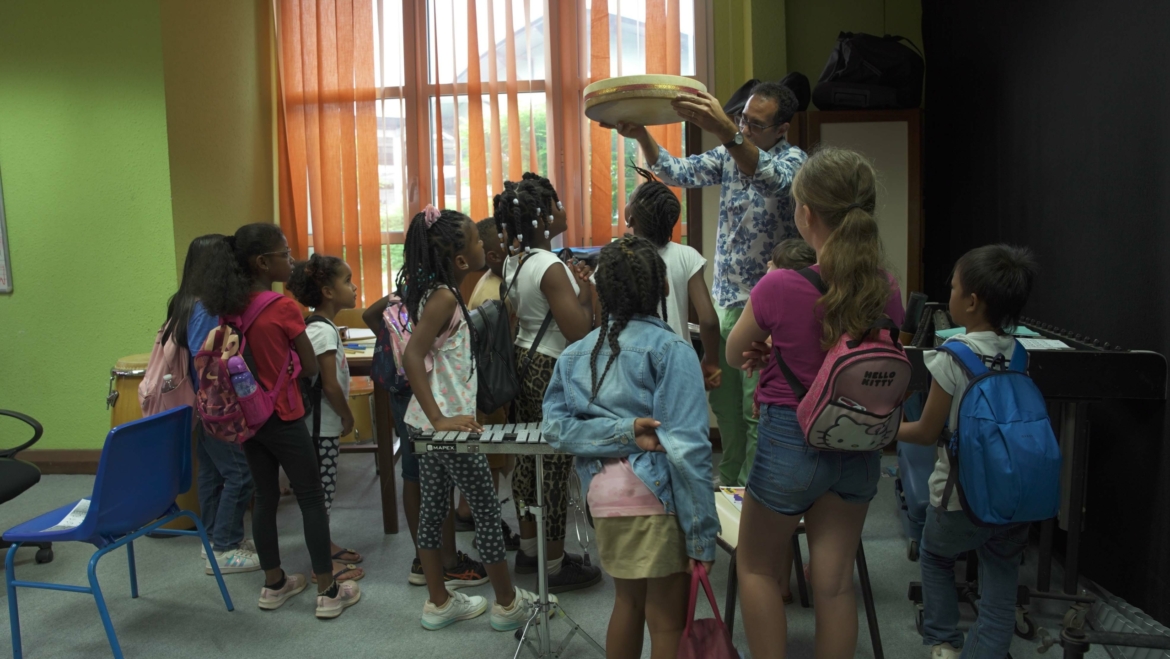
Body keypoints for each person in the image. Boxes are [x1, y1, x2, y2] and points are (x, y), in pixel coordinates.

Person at [725, 147, 905, 658]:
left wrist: (767, 348)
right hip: (858, 446)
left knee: (757, 567)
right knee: (834, 584)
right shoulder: (886, 288)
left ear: (806, 214)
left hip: (789, 442)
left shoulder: (780, 284)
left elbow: (737, 352)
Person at [609, 81, 808, 487]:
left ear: (782, 128)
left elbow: (768, 177)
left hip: (768, 305)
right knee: (727, 407)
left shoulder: (795, 162)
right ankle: (733, 480)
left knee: (757, 407)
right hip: (726, 299)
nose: (745, 129)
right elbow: (675, 171)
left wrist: (730, 133)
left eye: (756, 124)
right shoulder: (728, 154)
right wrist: (642, 135)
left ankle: (756, 490)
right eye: (742, 120)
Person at [543, 235, 719, 659]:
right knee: (666, 621)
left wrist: (619, 431)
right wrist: (702, 536)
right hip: (655, 498)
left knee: (627, 603)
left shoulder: (575, 354)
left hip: (604, 496)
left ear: (602, 293)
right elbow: (689, 451)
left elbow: (556, 429)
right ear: (663, 289)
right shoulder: (673, 350)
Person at [200, 223, 360, 619]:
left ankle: (274, 584)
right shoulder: (283, 307)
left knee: (266, 499)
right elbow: (308, 366)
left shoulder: (230, 308)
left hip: (249, 420)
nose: (290, 260)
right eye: (284, 254)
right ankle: (328, 590)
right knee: (310, 499)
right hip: (285, 416)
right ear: (262, 262)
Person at [400, 205, 546, 631]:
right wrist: (440, 418)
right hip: (445, 429)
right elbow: (412, 355)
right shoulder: (445, 297)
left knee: (432, 511)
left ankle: (439, 603)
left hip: (431, 426)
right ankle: (506, 603)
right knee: (484, 508)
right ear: (461, 259)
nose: (487, 244)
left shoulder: (444, 292)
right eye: (478, 241)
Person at [896, 244, 1038, 659]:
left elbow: (926, 432)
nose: (952, 294)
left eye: (955, 288)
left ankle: (943, 642)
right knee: (1000, 579)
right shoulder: (1020, 354)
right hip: (1015, 496)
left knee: (936, 556)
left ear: (971, 302)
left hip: (960, 496)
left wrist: (883, 429)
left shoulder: (953, 355)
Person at [496, 173, 602, 593]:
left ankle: (529, 549)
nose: (562, 211)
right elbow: (579, 331)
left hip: (523, 361)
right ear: (542, 217)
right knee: (554, 465)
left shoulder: (514, 259)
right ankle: (555, 565)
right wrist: (589, 290)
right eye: (556, 205)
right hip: (551, 368)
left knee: (527, 458)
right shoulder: (551, 265)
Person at [362, 293, 486, 588]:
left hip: (401, 387)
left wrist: (396, 340)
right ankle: (446, 562)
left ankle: (423, 559)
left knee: (413, 474)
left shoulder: (403, 292)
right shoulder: (435, 296)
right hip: (425, 389)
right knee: (436, 480)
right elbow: (420, 351)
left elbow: (369, 316)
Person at [168, 235, 259, 576]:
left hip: (197, 403)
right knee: (239, 473)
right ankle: (225, 547)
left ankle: (213, 541)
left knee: (212, 472)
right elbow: (210, 360)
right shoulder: (207, 307)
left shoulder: (183, 301)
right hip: (215, 405)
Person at [286, 254, 367, 584]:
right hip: (318, 429)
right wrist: (347, 416)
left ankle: (326, 544)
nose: (354, 286)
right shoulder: (320, 331)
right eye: (347, 280)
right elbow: (329, 384)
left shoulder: (323, 327)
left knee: (325, 495)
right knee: (318, 499)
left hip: (322, 428)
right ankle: (323, 563)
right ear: (327, 291)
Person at [453, 218, 520, 551]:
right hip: (488, 388)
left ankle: (466, 510)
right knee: (491, 462)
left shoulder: (490, 281)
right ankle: (488, 530)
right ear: (496, 255)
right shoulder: (497, 291)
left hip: (480, 384)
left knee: (488, 458)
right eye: (513, 245)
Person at [622, 166, 721, 391]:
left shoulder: (616, 258)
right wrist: (711, 362)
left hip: (629, 366)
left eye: (629, 199)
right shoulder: (686, 255)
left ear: (631, 219)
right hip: (678, 363)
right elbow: (709, 321)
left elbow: (602, 323)